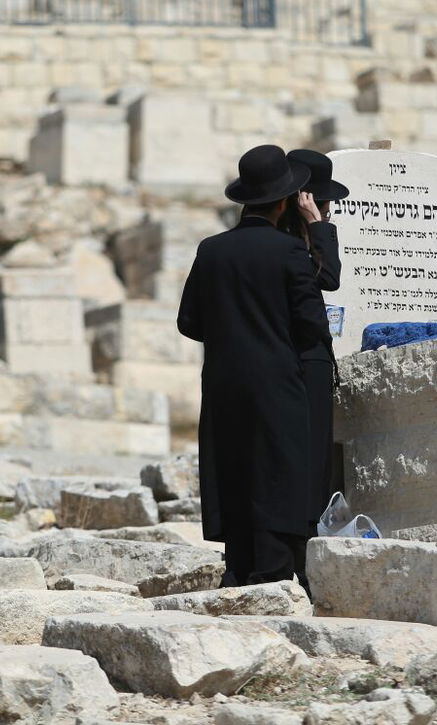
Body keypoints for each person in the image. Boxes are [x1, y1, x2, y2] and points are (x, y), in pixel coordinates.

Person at [177, 144, 330, 588]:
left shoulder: (211, 250)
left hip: (224, 382)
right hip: (278, 382)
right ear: (284, 201)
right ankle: (273, 575)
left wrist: (232, 336)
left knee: (235, 468)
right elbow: (312, 327)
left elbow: (189, 322)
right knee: (276, 471)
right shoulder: (287, 253)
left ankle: (237, 570)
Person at [281, 148, 349, 523]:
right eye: (325, 204)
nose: (329, 212)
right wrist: (318, 225)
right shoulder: (290, 245)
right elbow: (329, 277)